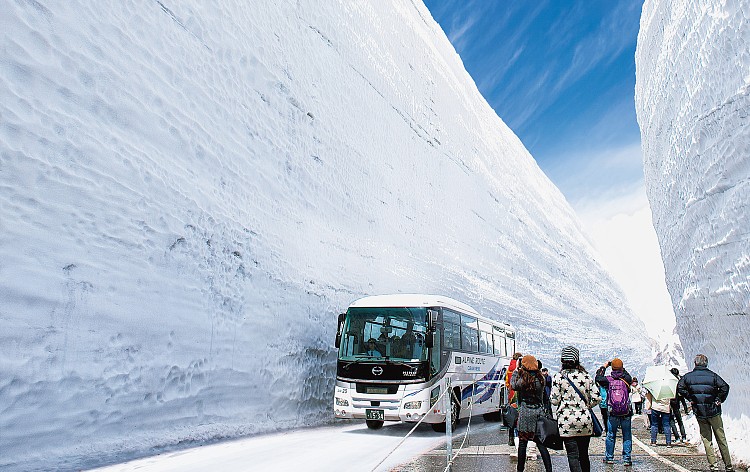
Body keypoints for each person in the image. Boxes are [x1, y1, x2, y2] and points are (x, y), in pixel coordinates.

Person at [677, 354, 733, 472]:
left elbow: (680, 388)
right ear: (706, 363)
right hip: (714, 411)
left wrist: (690, 398)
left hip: (700, 412)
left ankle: (714, 467)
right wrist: (718, 399)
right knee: (721, 439)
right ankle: (728, 466)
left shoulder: (688, 377)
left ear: (695, 363)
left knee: (707, 440)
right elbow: (725, 387)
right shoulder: (712, 376)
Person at [550, 346, 601, 472]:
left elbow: (554, 400)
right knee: (584, 455)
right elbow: (597, 397)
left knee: (573, 456)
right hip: (584, 421)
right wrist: (586, 406)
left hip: (566, 422)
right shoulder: (586, 376)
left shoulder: (558, 377)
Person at [510, 355, 553, 472]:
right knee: (541, 444)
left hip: (525, 414)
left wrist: (516, 370)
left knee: (523, 444)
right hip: (538, 413)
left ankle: (520, 469)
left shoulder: (523, 380)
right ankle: (549, 469)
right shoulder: (541, 379)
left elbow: (513, 385)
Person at [596, 358, 634, 466]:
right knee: (627, 435)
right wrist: (621, 368)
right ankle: (627, 459)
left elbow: (598, 377)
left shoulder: (608, 380)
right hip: (626, 412)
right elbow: (627, 375)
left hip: (613, 412)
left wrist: (605, 366)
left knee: (611, 435)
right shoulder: (626, 379)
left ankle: (609, 457)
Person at [505, 352, 523, 446]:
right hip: (519, 394)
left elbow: (507, 382)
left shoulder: (510, 368)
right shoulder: (521, 369)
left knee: (512, 416)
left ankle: (511, 438)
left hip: (511, 394)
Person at [669, 368, 689, 444]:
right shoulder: (679, 380)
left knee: (671, 420)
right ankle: (684, 437)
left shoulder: (669, 381)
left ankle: (677, 437)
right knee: (679, 420)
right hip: (677, 401)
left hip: (670, 401)